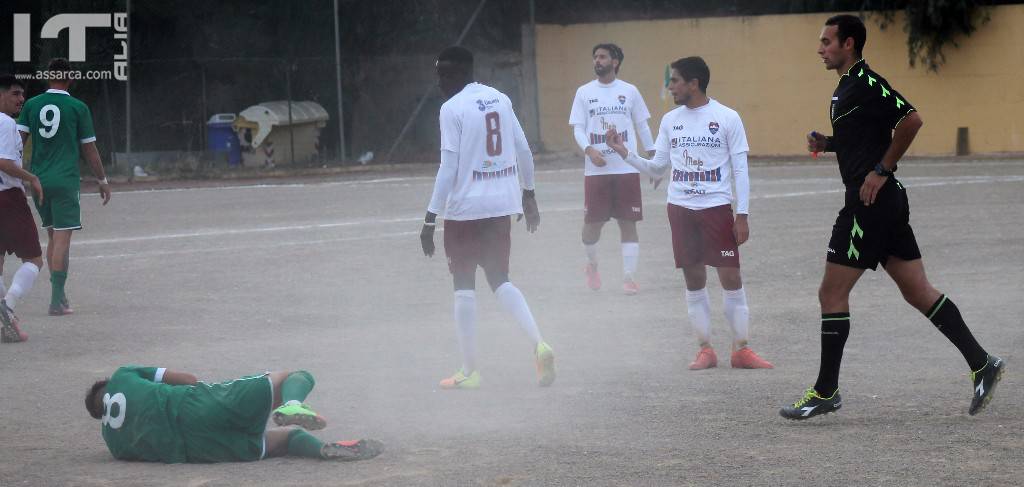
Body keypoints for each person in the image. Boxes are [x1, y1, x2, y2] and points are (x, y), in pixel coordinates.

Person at [779, 15, 1003, 420]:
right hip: (884, 205)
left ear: (849, 44)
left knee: (831, 294)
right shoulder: (846, 87)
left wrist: (881, 171)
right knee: (918, 291)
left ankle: (826, 391)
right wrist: (829, 143)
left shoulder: (867, 82)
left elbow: (911, 120)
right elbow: (865, 137)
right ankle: (982, 363)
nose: (820, 49)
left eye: (827, 41)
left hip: (869, 205)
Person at [605, 56, 773, 370]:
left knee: (731, 276)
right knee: (693, 278)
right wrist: (624, 152)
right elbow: (657, 167)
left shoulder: (727, 118)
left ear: (693, 83)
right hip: (680, 209)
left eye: (675, 81)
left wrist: (743, 214)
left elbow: (740, 170)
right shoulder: (670, 120)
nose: (670, 87)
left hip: (716, 209)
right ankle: (705, 349)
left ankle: (741, 349)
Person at [420, 46, 555, 389]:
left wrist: (430, 216)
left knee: (463, 286)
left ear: (462, 73)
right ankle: (539, 343)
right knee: (500, 279)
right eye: (438, 74)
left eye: (445, 74)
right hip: (500, 207)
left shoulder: (452, 108)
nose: (440, 82)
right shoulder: (500, 98)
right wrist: (529, 194)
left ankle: (469, 371)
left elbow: (448, 166)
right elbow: (524, 149)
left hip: (465, 210)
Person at [85, 366, 383, 463]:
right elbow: (188, 380)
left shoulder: (114, 445)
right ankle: (293, 403)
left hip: (198, 451)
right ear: (107, 387)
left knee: (282, 441)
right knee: (291, 376)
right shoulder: (122, 375)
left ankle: (322, 450)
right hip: (196, 406)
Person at [17, 58, 111, 316]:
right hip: (66, 181)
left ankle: (60, 294)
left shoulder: (32, 105)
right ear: (71, 79)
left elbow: (17, 142)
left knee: (52, 237)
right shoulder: (78, 107)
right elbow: (89, 149)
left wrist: (16, 175)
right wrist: (102, 180)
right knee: (62, 240)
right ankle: (57, 300)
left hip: (38, 180)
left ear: (48, 77)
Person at [569, 43, 657, 295]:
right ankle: (592, 265)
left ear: (615, 61)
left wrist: (653, 159)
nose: (597, 60)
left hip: (626, 167)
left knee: (628, 222)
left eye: (602, 56)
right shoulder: (584, 92)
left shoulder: (629, 91)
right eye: (595, 56)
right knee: (591, 227)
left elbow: (641, 125)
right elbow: (577, 128)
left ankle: (629, 278)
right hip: (596, 169)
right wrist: (589, 150)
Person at [0, 74, 43, 343]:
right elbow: (4, 162)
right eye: (15, 93)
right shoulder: (5, 123)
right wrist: (32, 178)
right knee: (35, 260)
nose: (21, 99)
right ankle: (9, 305)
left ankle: (7, 323)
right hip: (8, 198)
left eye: (22, 94)